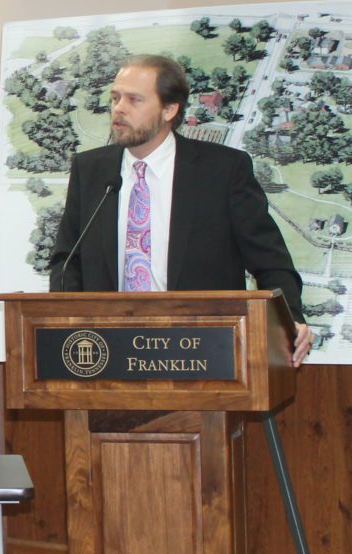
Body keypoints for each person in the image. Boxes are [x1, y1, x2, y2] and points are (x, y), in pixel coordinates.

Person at [49, 53, 312, 366]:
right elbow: (67, 260)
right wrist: (64, 324)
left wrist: (290, 321)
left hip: (201, 355)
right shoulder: (91, 170)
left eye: (134, 100)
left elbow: (270, 261)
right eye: (116, 98)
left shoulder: (223, 170)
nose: (119, 108)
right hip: (108, 354)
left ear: (169, 109)